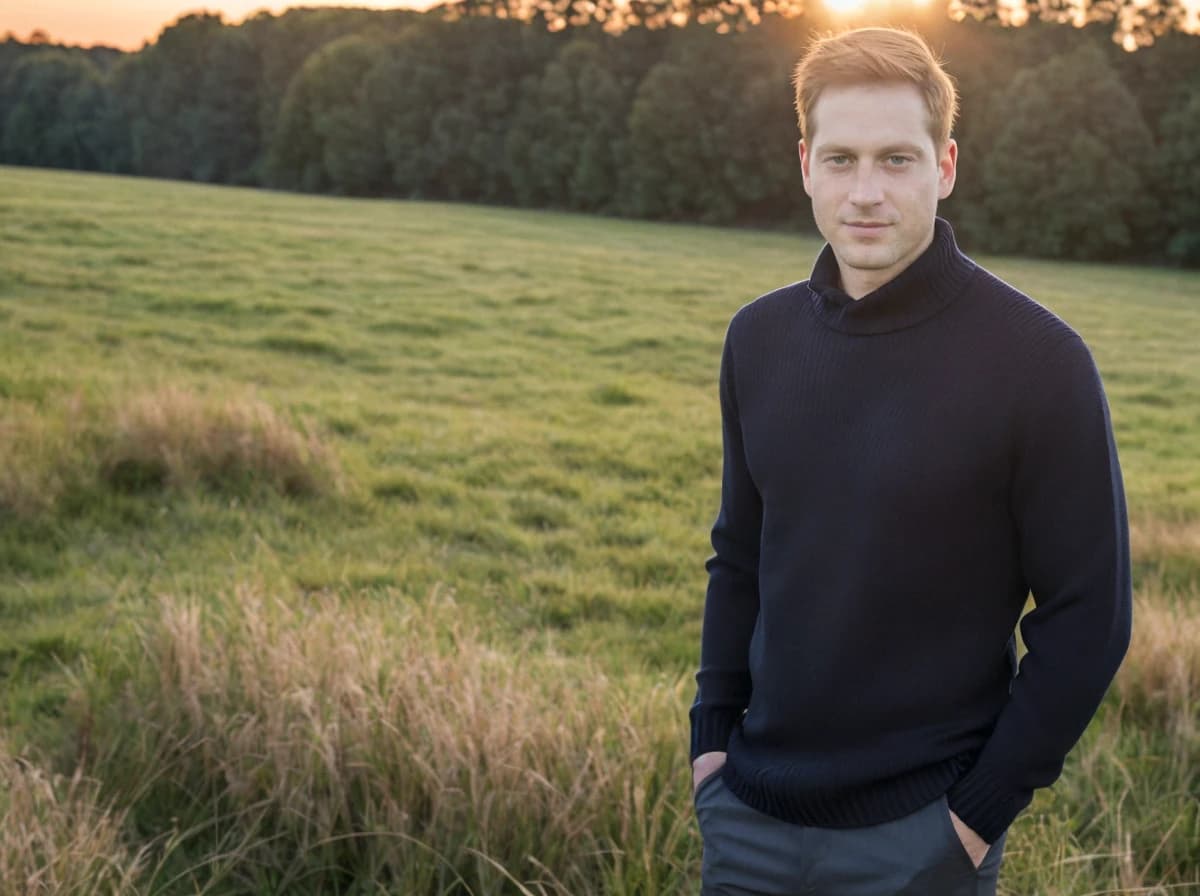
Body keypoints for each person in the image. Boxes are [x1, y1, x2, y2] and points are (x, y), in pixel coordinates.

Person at [688, 26, 1132, 896]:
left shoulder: (1038, 361)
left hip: (921, 839)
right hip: (747, 820)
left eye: (897, 160)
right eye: (842, 159)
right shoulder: (759, 339)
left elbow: (1090, 615)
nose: (866, 193)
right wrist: (711, 746)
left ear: (947, 165)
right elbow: (739, 554)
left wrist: (974, 816)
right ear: (806, 163)